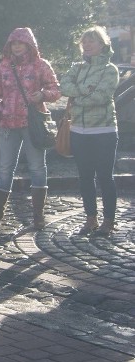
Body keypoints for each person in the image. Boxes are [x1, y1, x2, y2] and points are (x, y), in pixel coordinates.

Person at [0, 27, 61, 231]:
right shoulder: (3, 67)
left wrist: (42, 95)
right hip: (8, 124)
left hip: (32, 124)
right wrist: (0, 109)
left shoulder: (41, 65)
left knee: (37, 167)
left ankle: (38, 215)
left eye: (20, 43)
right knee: (5, 168)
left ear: (28, 44)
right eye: (13, 43)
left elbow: (56, 89)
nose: (16, 46)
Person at [59, 26, 120, 236]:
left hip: (103, 131)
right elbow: (64, 86)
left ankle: (109, 221)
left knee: (105, 177)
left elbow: (101, 97)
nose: (86, 45)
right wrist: (85, 92)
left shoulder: (110, 69)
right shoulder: (77, 68)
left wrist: (78, 97)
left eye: (91, 41)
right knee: (85, 177)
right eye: (84, 42)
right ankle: (90, 218)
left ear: (102, 44)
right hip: (78, 131)